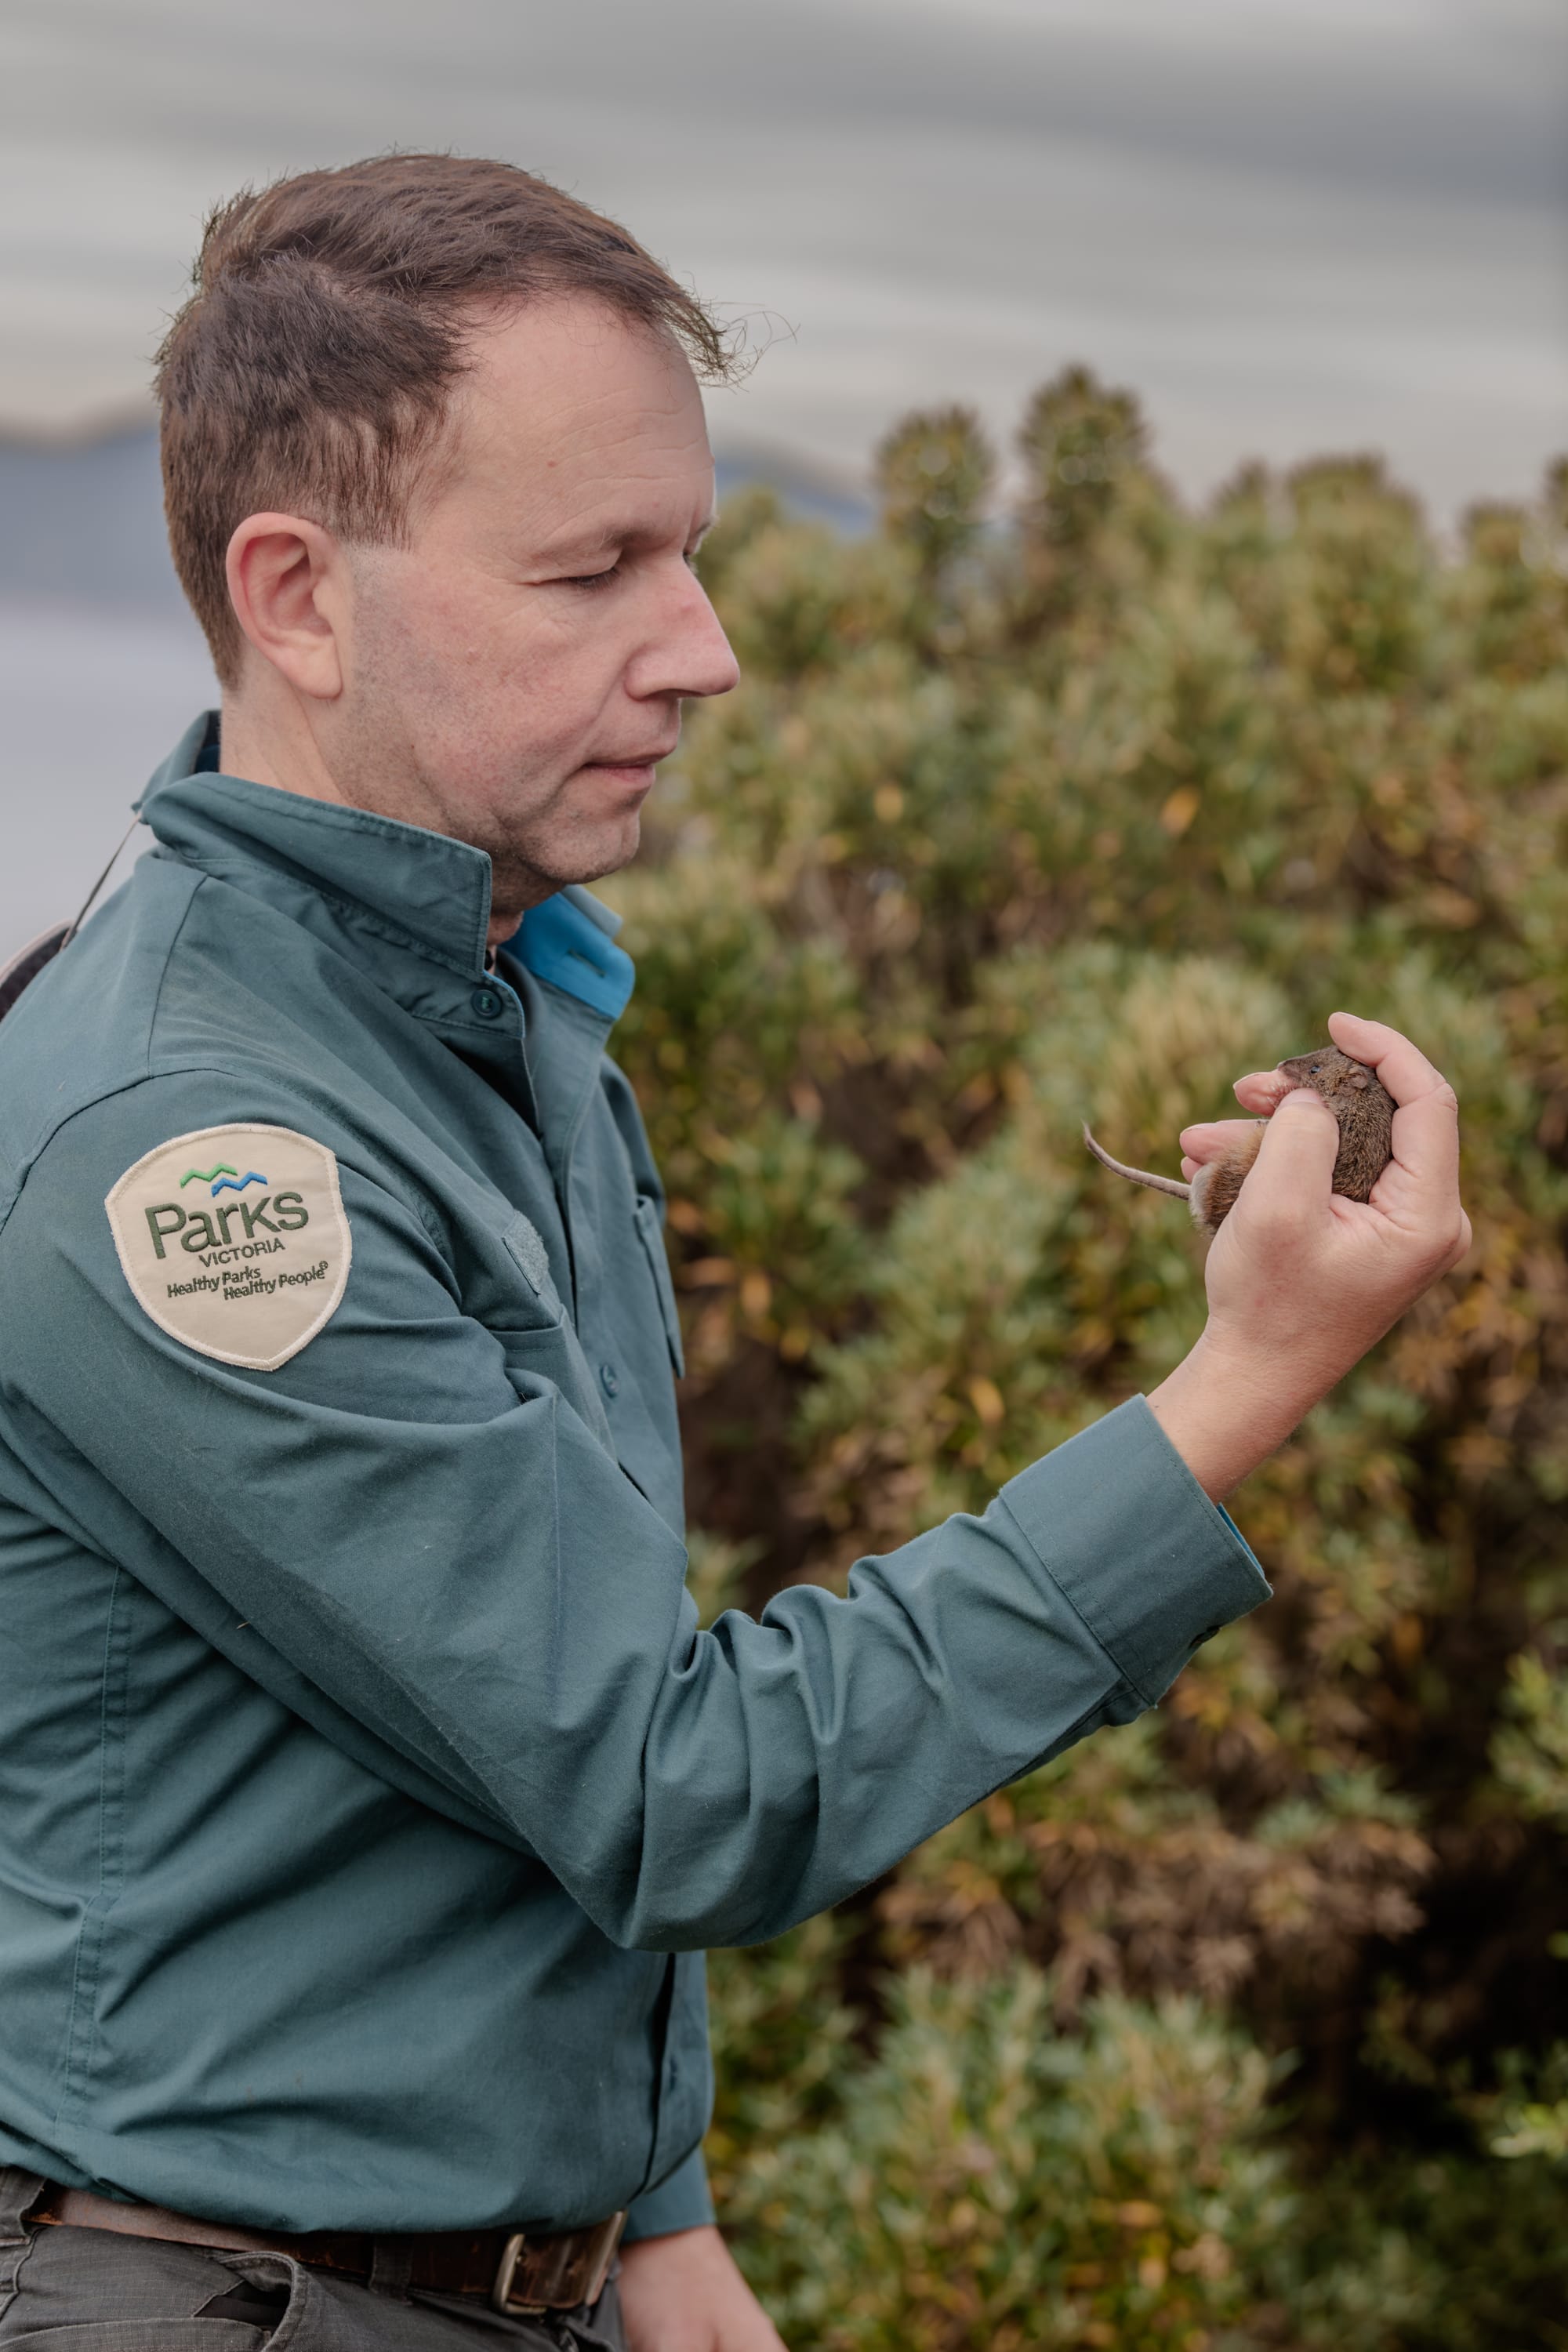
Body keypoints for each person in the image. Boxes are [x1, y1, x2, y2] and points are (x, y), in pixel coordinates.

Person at [0, 154, 1468, 2352]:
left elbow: (490, 1725)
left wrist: (643, 2208)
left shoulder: (502, 1010)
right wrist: (1236, 1389)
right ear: (297, 598)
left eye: (687, 551)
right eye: (595, 570)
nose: (707, 649)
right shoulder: (207, 1158)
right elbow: (677, 1778)